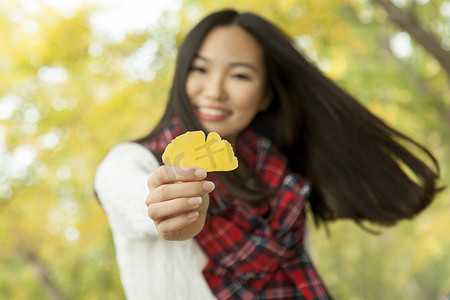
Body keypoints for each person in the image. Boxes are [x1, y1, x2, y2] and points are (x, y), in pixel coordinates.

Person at [94, 9, 442, 300]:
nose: (214, 90)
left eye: (240, 75)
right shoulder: (130, 161)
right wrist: (167, 205)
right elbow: (134, 198)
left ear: (264, 97)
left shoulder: (283, 178)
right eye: (200, 70)